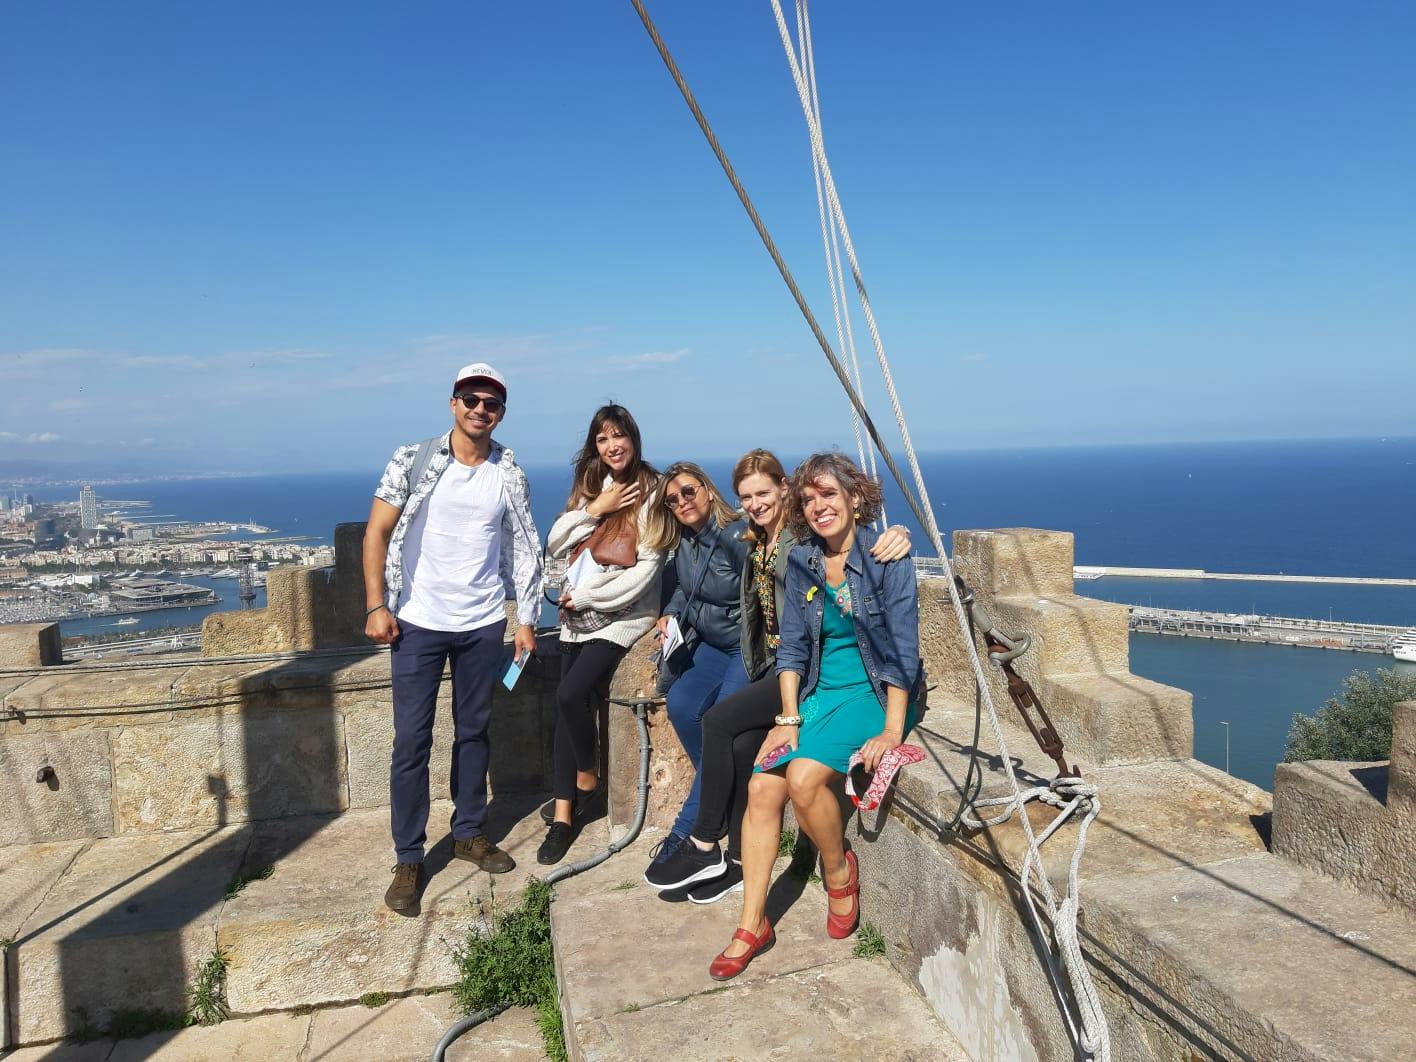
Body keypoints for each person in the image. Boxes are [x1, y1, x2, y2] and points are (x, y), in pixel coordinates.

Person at [645, 449, 911, 903]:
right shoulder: (753, 538)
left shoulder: (797, 542)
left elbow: (887, 636)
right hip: (775, 662)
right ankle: (735, 860)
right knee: (742, 745)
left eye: (763, 493)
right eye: (746, 496)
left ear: (783, 491)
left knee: (719, 722)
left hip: (800, 672)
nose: (753, 502)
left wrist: (898, 532)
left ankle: (701, 839)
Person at [710, 451, 922, 979]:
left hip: (874, 692)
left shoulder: (885, 557)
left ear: (854, 496)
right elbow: (793, 651)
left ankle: (837, 870)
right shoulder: (804, 558)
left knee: (803, 779)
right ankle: (752, 922)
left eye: (829, 494)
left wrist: (893, 730)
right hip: (821, 691)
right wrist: (788, 717)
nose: (818, 505)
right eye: (808, 498)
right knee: (763, 786)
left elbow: (902, 653)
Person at [364, 363, 542, 913]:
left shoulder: (508, 470)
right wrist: (376, 604)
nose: (479, 409)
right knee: (411, 742)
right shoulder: (412, 459)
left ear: (501, 413)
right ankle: (409, 857)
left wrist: (527, 619)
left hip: (482, 622)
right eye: (470, 399)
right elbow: (377, 531)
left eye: (490, 403)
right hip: (417, 622)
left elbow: (523, 547)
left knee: (474, 734)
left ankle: (468, 832)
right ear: (453, 403)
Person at [538, 405, 664, 865]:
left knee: (572, 694)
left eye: (619, 436)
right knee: (564, 704)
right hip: (577, 619)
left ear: (634, 438)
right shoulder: (595, 487)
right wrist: (597, 508)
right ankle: (564, 817)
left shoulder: (653, 493)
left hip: (620, 616)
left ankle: (587, 779)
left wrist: (586, 597)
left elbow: (645, 571)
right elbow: (555, 542)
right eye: (603, 438)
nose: (612, 446)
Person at [639, 462, 752, 887]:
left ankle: (691, 829)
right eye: (672, 499)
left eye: (688, 492)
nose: (681, 502)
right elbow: (686, 587)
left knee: (721, 722)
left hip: (742, 647)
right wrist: (669, 614)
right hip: (709, 645)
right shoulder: (685, 541)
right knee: (683, 705)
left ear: (706, 489)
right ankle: (718, 794)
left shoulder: (737, 535)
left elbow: (767, 586)